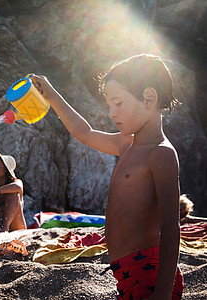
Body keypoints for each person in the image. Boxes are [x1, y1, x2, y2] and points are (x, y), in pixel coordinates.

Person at [32, 54, 183, 299]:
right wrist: (51, 95)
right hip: (124, 274)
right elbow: (84, 132)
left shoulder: (160, 154)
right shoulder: (127, 144)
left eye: (118, 103)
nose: (112, 112)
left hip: (150, 275)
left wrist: (163, 293)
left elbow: (170, 226)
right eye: (109, 105)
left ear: (149, 98)